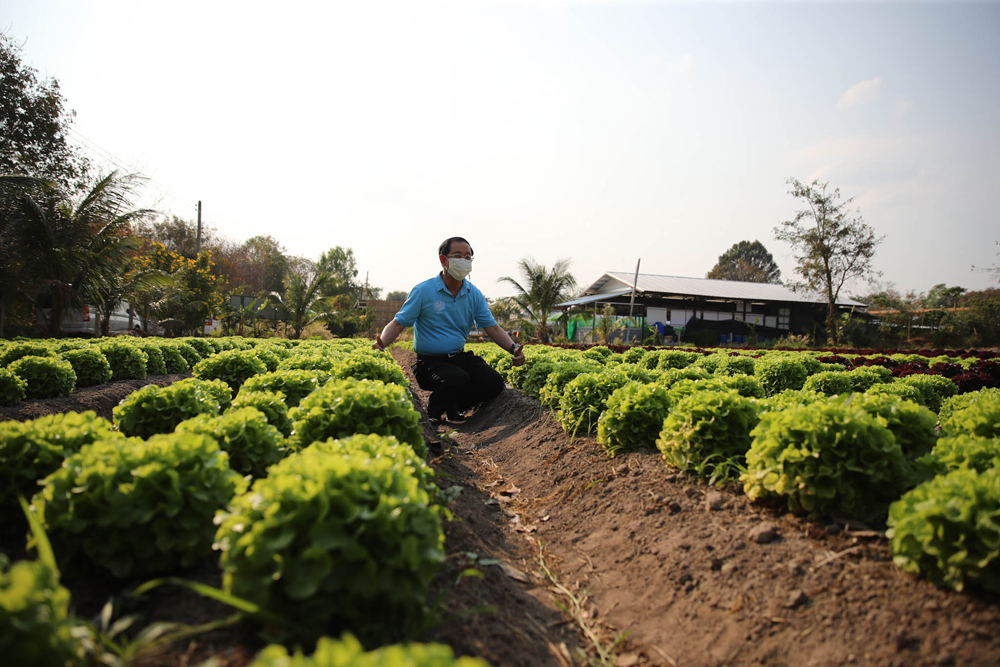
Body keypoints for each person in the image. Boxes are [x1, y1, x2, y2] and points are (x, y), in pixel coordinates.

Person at [373, 236, 525, 424]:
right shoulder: (423, 291)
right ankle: (434, 409)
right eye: (458, 256)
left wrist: (513, 349)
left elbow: (492, 328)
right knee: (457, 378)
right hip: (429, 363)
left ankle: (454, 406)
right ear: (443, 260)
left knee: (493, 382)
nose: (464, 260)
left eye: (468, 257)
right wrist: (382, 343)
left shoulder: (473, 294)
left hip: (458, 357)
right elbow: (398, 323)